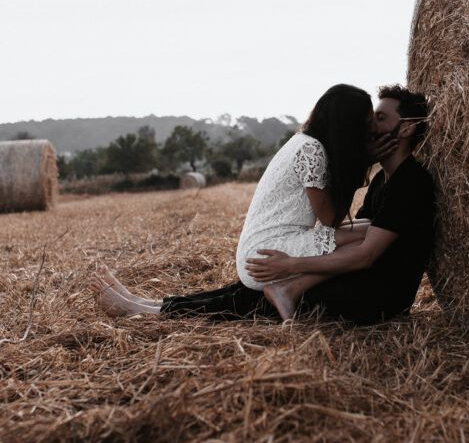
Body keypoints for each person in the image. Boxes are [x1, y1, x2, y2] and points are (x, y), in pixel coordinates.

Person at [91, 84, 435, 325]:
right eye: (370, 119)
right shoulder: (382, 179)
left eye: (380, 119)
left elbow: (364, 252)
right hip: (357, 277)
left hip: (375, 294)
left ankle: (147, 311)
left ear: (406, 130)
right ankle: (149, 306)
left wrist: (293, 265)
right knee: (251, 290)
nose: (371, 128)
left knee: (258, 299)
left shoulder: (410, 182)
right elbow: (345, 234)